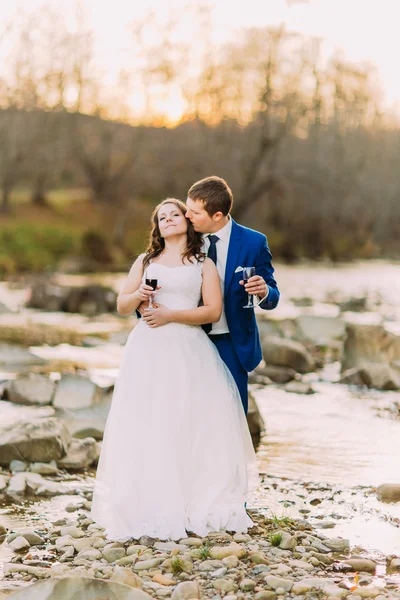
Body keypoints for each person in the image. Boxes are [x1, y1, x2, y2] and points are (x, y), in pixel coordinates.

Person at [91, 198, 259, 542]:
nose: (168, 219)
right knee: (148, 420)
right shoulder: (145, 260)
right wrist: (139, 293)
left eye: (174, 214)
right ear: (157, 226)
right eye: (161, 216)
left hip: (188, 348)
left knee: (187, 421)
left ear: (187, 220)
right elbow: (123, 305)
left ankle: (189, 499)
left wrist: (170, 315)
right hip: (147, 349)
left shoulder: (203, 264)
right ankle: (149, 500)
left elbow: (212, 312)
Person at [144, 176, 280, 415]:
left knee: (232, 418)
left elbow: (273, 296)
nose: (186, 216)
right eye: (187, 209)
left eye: (194, 213)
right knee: (187, 416)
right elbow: (161, 276)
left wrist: (264, 291)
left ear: (217, 215)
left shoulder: (254, 242)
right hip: (188, 340)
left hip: (232, 343)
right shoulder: (185, 238)